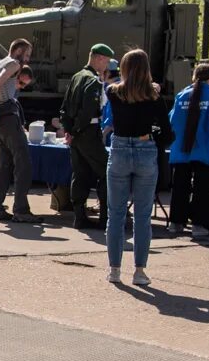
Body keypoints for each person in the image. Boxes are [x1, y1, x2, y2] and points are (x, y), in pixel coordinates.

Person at [102, 49, 170, 286]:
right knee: (143, 216)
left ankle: (114, 269)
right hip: (145, 148)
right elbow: (167, 131)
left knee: (116, 214)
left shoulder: (113, 93)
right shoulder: (154, 97)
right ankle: (139, 271)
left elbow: (114, 87)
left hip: (119, 149)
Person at [168, 63, 209, 238]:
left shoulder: (181, 95)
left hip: (181, 149)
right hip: (204, 148)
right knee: (202, 187)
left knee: (180, 185)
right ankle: (198, 224)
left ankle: (176, 223)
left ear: (194, 77)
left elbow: (172, 120)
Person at [0, 38, 37, 223]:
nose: (27, 59)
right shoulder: (13, 64)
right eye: (27, 54)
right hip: (7, 117)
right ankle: (21, 210)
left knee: (4, 165)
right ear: (19, 51)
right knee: (23, 163)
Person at [60, 44, 112, 230]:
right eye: (106, 61)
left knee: (80, 173)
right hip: (88, 132)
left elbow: (65, 108)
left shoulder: (76, 77)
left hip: (76, 134)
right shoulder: (93, 81)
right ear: (98, 58)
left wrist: (69, 130)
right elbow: (88, 111)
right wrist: (75, 131)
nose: (106, 65)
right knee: (107, 171)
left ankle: (79, 216)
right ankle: (105, 216)